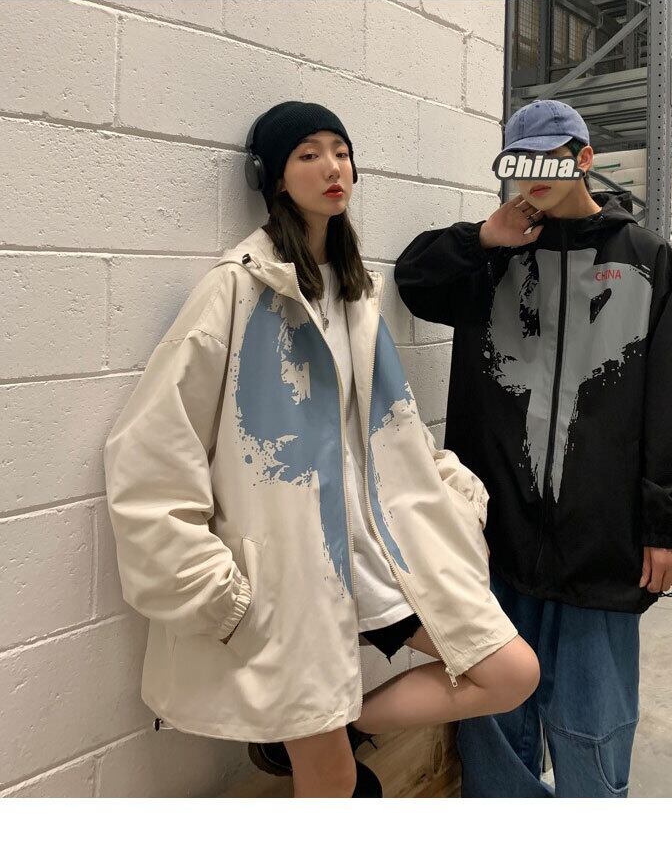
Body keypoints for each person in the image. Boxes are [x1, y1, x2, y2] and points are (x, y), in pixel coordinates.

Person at [103, 101, 539, 799]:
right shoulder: (238, 288)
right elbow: (150, 450)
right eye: (307, 154)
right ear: (275, 178)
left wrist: (455, 502)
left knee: (511, 672)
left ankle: (324, 722)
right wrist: (212, 592)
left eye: (340, 150)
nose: (332, 166)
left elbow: (391, 427)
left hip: (377, 553)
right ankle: (313, 732)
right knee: (334, 784)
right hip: (290, 577)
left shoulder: (357, 291)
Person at [394, 99, 672, 797]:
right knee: (493, 724)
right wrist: (485, 236)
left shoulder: (645, 261)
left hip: (600, 545)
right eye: (522, 161)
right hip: (498, 540)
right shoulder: (491, 259)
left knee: (591, 726)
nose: (535, 174)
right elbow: (413, 279)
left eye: (551, 157)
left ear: (584, 159)